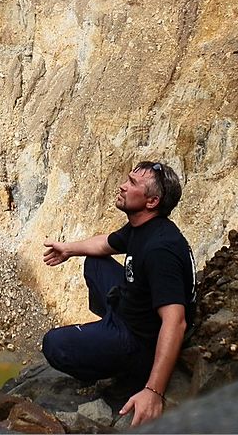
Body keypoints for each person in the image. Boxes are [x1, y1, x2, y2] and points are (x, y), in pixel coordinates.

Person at [41, 161, 197, 427]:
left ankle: (126, 369)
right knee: (94, 261)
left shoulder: (160, 250)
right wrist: (68, 249)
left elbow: (176, 321)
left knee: (54, 345)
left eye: (133, 184)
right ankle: (107, 333)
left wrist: (154, 392)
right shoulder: (143, 227)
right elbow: (105, 244)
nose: (123, 186)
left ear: (152, 201)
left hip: (139, 339)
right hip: (132, 310)